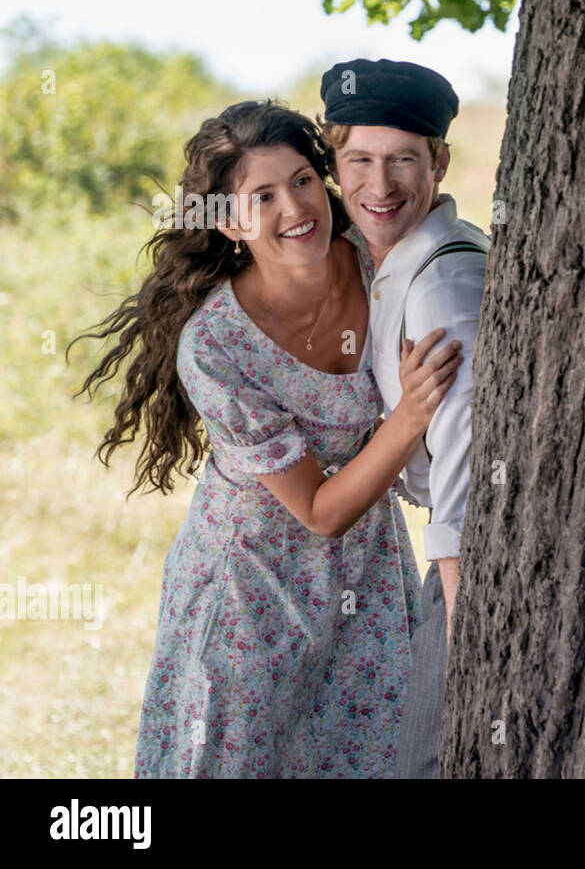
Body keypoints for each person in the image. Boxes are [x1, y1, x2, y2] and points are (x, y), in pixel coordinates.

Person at [72, 100, 463, 777]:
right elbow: (319, 512)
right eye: (263, 196)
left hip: (367, 574)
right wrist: (407, 421)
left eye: (304, 180)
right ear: (229, 222)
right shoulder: (216, 347)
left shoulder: (376, 266)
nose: (294, 208)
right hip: (251, 586)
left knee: (367, 756)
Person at [318, 59, 489, 778]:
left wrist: (461, 615)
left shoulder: (444, 279)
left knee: (424, 759)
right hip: (447, 554)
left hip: (469, 559)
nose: (378, 186)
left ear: (440, 162)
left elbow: (466, 451)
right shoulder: (386, 258)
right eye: (359, 159)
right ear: (334, 161)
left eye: (402, 161)